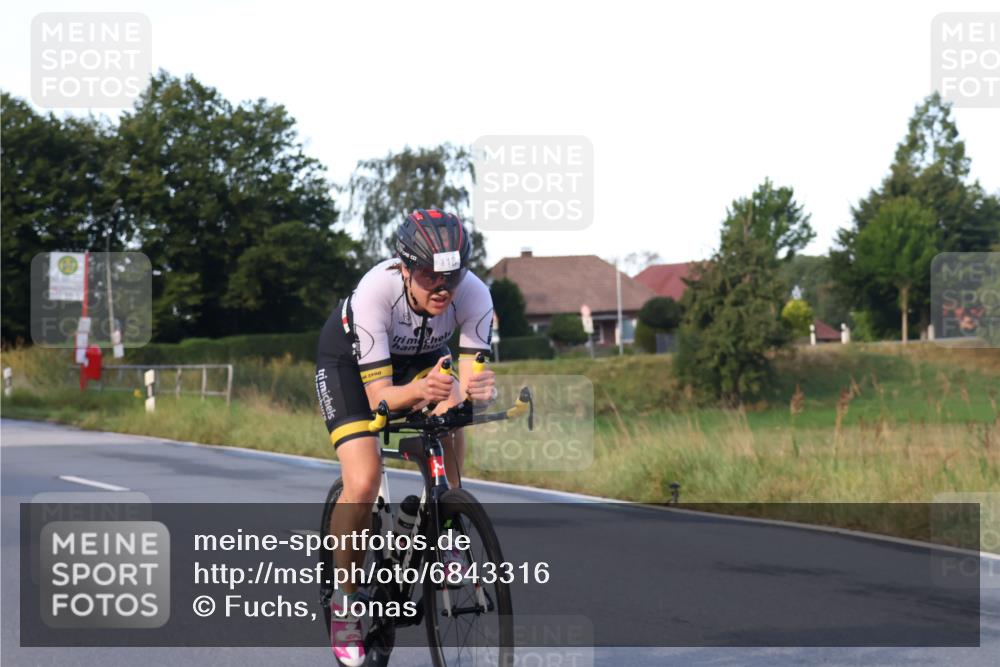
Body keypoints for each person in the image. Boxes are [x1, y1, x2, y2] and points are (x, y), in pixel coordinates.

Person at [315, 208, 496, 666]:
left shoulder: (475, 294)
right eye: (428, 274)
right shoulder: (376, 292)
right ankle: (346, 600)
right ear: (404, 266)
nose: (442, 287)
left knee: (452, 408)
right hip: (351, 368)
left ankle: (448, 525)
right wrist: (417, 391)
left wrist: (477, 390)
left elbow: (470, 379)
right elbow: (380, 397)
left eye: (451, 277)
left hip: (421, 355)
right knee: (362, 479)